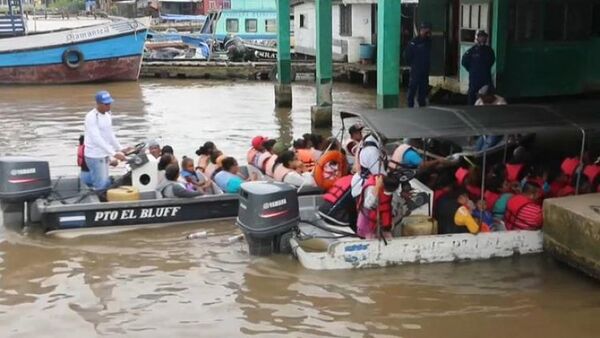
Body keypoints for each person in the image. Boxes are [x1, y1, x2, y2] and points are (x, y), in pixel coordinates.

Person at [84, 91, 128, 190]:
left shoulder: (108, 115)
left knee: (104, 181)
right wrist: (114, 153)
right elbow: (96, 139)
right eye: (106, 104)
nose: (109, 106)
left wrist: (120, 148)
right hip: (94, 155)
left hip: (104, 154)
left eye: (109, 103)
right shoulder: (91, 117)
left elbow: (110, 135)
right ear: (98, 104)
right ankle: (98, 200)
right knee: (101, 184)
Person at [356, 175, 400, 239]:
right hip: (368, 222)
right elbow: (368, 204)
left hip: (384, 224)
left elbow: (393, 204)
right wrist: (377, 187)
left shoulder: (391, 187)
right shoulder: (371, 187)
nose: (389, 192)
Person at [461, 30, 496, 105]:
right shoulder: (471, 51)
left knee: (487, 97)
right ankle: (471, 108)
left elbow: (492, 61)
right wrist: (471, 70)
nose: (482, 38)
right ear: (477, 38)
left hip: (485, 77)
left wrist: (485, 69)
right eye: (480, 37)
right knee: (472, 95)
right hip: (474, 78)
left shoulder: (489, 51)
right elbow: (464, 62)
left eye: (484, 37)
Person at [405, 22, 432, 108]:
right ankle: (410, 106)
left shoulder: (428, 41)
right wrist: (412, 65)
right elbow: (407, 55)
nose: (425, 32)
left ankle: (422, 107)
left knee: (423, 91)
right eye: (424, 30)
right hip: (416, 70)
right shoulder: (414, 42)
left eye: (427, 30)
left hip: (425, 71)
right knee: (412, 89)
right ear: (420, 30)